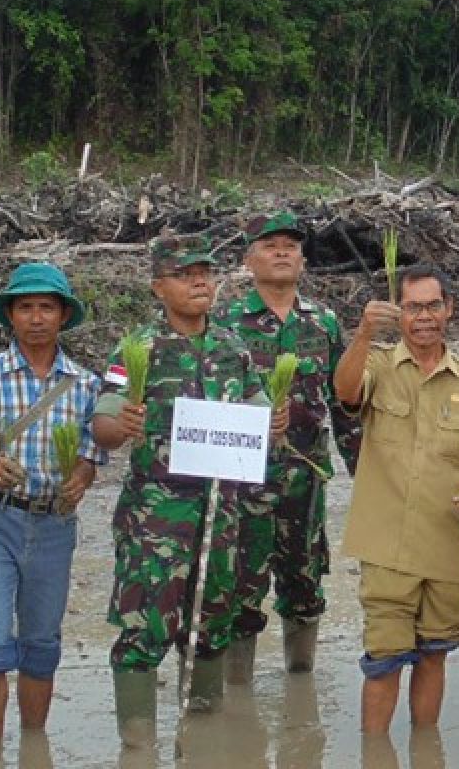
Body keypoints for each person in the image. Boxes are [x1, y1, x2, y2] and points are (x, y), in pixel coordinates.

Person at [92, 233, 286, 747]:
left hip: (221, 519)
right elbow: (104, 426)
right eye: (185, 274)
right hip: (155, 521)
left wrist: (273, 422)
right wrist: (123, 424)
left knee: (210, 629)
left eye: (206, 272)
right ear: (159, 287)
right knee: (143, 630)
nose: (200, 281)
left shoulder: (233, 349)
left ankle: (201, 743)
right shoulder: (137, 350)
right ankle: (138, 749)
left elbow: (260, 416)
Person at [333, 263, 459, 734]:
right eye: (413, 307)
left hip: (449, 547)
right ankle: (377, 755)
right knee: (383, 661)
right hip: (387, 547)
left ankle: (426, 752)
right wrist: (365, 332)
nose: (424, 316)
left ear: (449, 309)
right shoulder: (377, 365)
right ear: (400, 313)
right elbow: (344, 390)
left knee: (434, 656)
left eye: (433, 305)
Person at [215, 211, 361, 683]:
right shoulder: (225, 325)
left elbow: (344, 401)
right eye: (270, 244)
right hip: (242, 483)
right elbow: (204, 401)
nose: (282, 252)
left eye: (291, 245)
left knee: (305, 584)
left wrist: (364, 469)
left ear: (302, 259)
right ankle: (239, 698)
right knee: (241, 587)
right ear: (248, 259)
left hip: (306, 481)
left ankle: (301, 689)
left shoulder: (324, 323)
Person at [0, 264, 105, 753]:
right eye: (25, 307)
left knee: (42, 642)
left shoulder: (86, 385)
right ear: (10, 316)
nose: (36, 317)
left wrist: (83, 478)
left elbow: (94, 451)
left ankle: (33, 747)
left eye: (46, 307)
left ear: (63, 315)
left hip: (54, 523)